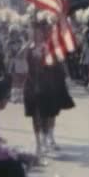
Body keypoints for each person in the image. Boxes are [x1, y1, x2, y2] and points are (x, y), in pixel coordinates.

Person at [24, 17, 75, 156]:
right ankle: (38, 143)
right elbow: (20, 61)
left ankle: (49, 137)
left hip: (48, 83)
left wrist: (67, 76)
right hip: (32, 84)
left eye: (38, 32)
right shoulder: (28, 47)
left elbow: (59, 61)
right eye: (33, 32)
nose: (36, 34)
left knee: (49, 113)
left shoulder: (50, 46)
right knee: (35, 115)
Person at [6, 24, 29, 104]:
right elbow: (9, 53)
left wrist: (23, 51)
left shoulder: (22, 40)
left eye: (16, 32)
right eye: (13, 33)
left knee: (23, 79)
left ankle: (21, 96)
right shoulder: (8, 42)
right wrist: (15, 53)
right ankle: (15, 97)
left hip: (22, 62)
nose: (15, 34)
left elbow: (25, 50)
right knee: (15, 80)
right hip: (14, 62)